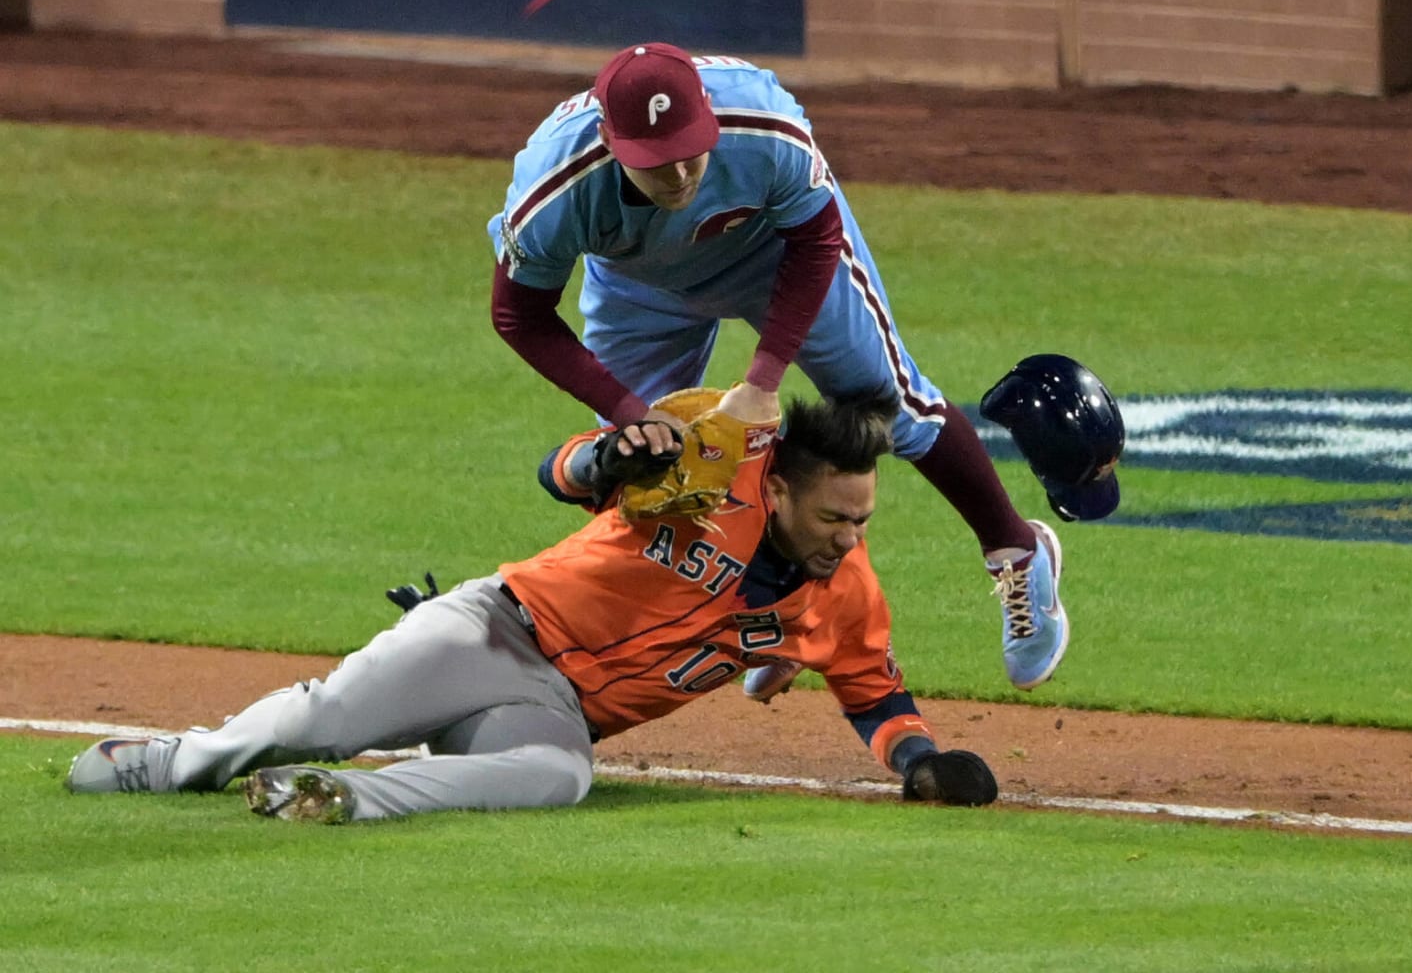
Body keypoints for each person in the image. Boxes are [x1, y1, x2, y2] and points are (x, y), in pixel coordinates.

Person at [64, 396, 999, 822]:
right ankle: (166, 762)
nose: (849, 536)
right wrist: (606, 462)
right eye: (835, 516)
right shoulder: (717, 456)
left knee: (561, 777)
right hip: (497, 630)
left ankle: (345, 799)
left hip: (553, 711)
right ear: (785, 489)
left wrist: (919, 761)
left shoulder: (845, 593)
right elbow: (562, 471)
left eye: (864, 518)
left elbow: (873, 692)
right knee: (329, 717)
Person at [487, 41, 1067, 693]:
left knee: (885, 404)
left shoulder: (764, 125)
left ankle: (1018, 551)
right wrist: (633, 413)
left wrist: (763, 381)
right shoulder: (555, 189)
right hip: (638, 284)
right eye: (656, 164)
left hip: (771, 255)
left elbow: (816, 238)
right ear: (609, 141)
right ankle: (776, 609)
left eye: (689, 152)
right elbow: (520, 317)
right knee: (647, 474)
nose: (679, 176)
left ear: (708, 114)